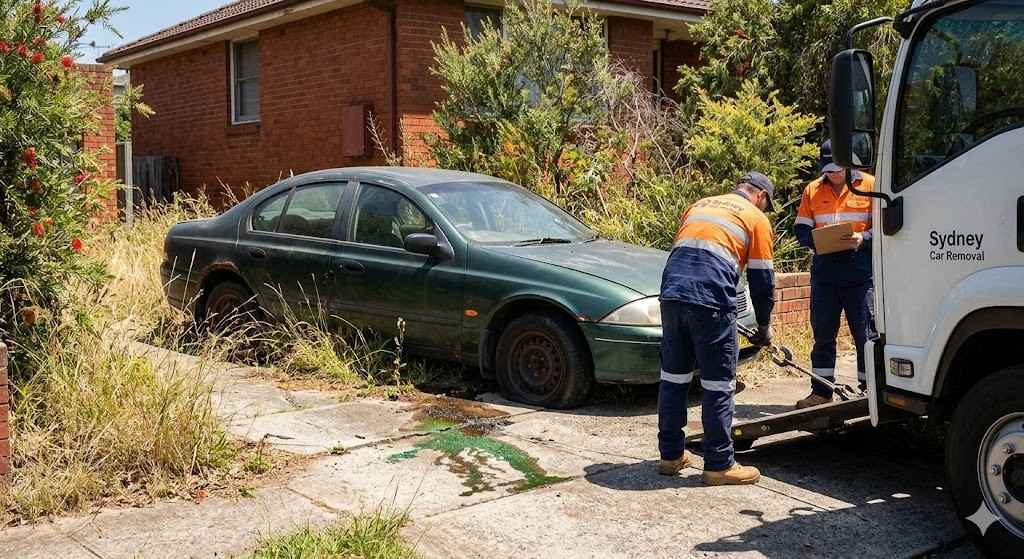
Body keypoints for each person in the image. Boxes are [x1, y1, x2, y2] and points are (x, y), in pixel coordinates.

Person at [658, 172, 776, 486]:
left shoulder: (699, 205)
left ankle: (670, 456)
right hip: (711, 301)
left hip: (671, 295)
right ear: (761, 196)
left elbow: (691, 256)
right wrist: (764, 326)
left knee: (673, 379)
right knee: (718, 384)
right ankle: (719, 464)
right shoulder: (755, 218)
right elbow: (763, 281)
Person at [794, 140, 878, 409]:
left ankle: (869, 390)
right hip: (825, 276)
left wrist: (862, 237)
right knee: (823, 335)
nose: (833, 174)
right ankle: (821, 391)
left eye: (838, 169)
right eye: (828, 170)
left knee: (865, 334)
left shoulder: (870, 185)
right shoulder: (813, 190)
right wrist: (818, 241)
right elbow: (801, 230)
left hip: (860, 275)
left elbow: (885, 229)